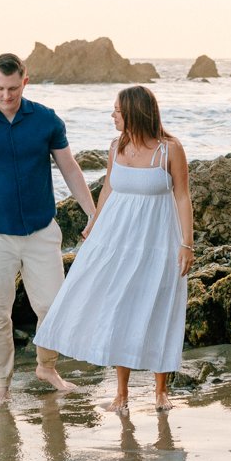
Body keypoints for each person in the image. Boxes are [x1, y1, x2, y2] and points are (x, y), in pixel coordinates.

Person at [0, 52, 98, 409]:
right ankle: (1, 386)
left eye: (13, 88)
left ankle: (47, 367)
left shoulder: (45, 120)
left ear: (24, 82)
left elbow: (70, 169)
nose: (7, 95)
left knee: (53, 307)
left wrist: (93, 214)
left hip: (41, 231)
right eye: (0, 88)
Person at [32, 85, 192, 413]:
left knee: (161, 309)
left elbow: (182, 196)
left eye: (117, 110)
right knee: (122, 310)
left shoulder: (170, 150)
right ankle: (122, 394)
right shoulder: (116, 146)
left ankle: (161, 391)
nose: (113, 116)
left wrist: (186, 244)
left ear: (134, 112)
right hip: (119, 241)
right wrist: (94, 222)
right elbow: (108, 188)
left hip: (159, 241)